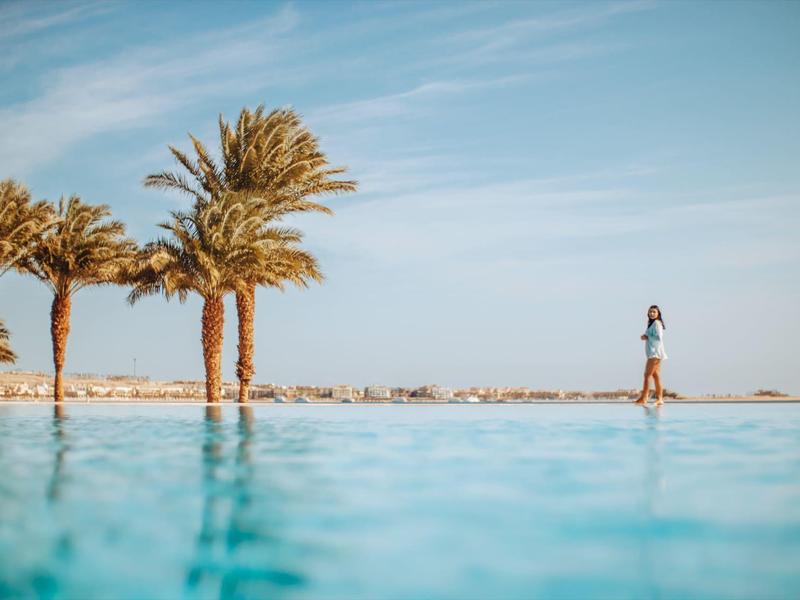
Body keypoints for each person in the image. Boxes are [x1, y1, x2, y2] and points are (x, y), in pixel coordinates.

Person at [634, 305, 668, 406]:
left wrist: (646, 336)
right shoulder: (652, 324)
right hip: (654, 353)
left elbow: (659, 337)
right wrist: (646, 336)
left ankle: (644, 398)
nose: (652, 313)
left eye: (654, 312)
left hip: (655, 353)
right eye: (650, 312)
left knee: (647, 375)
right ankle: (660, 398)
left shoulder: (657, 323)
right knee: (656, 376)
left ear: (658, 314)